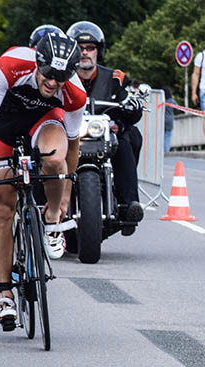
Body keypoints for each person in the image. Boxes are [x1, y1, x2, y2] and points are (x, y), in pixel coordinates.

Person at [0, 33, 85, 329]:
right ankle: (5, 295)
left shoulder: (75, 93)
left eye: (60, 78)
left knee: (52, 159)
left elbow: (73, 147)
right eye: (48, 75)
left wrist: (63, 201)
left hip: (44, 121)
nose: (52, 83)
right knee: (2, 209)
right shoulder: (11, 64)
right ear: (38, 63)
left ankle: (49, 219)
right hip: (4, 126)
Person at [67, 21, 144, 233]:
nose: (85, 53)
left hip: (103, 137)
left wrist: (121, 120)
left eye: (90, 48)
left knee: (129, 138)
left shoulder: (114, 78)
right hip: (68, 135)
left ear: (98, 52)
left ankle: (128, 204)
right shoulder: (61, 78)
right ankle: (40, 201)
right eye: (79, 48)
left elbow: (129, 107)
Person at [162, 85, 177, 153]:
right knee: (167, 136)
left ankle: (162, 150)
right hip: (170, 120)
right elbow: (177, 108)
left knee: (161, 136)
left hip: (162, 120)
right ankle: (166, 151)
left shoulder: (161, 101)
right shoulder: (172, 101)